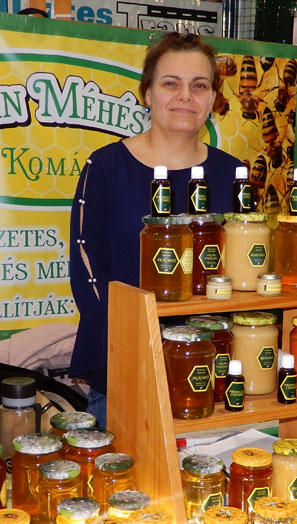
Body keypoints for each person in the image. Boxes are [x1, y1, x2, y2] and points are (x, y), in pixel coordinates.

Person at [68, 33, 244, 427]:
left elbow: (244, 271)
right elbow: (87, 270)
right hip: (126, 367)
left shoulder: (232, 174)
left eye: (199, 86)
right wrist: (135, 342)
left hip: (210, 370)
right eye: (171, 83)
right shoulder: (106, 167)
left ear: (213, 100)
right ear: (147, 93)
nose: (185, 96)